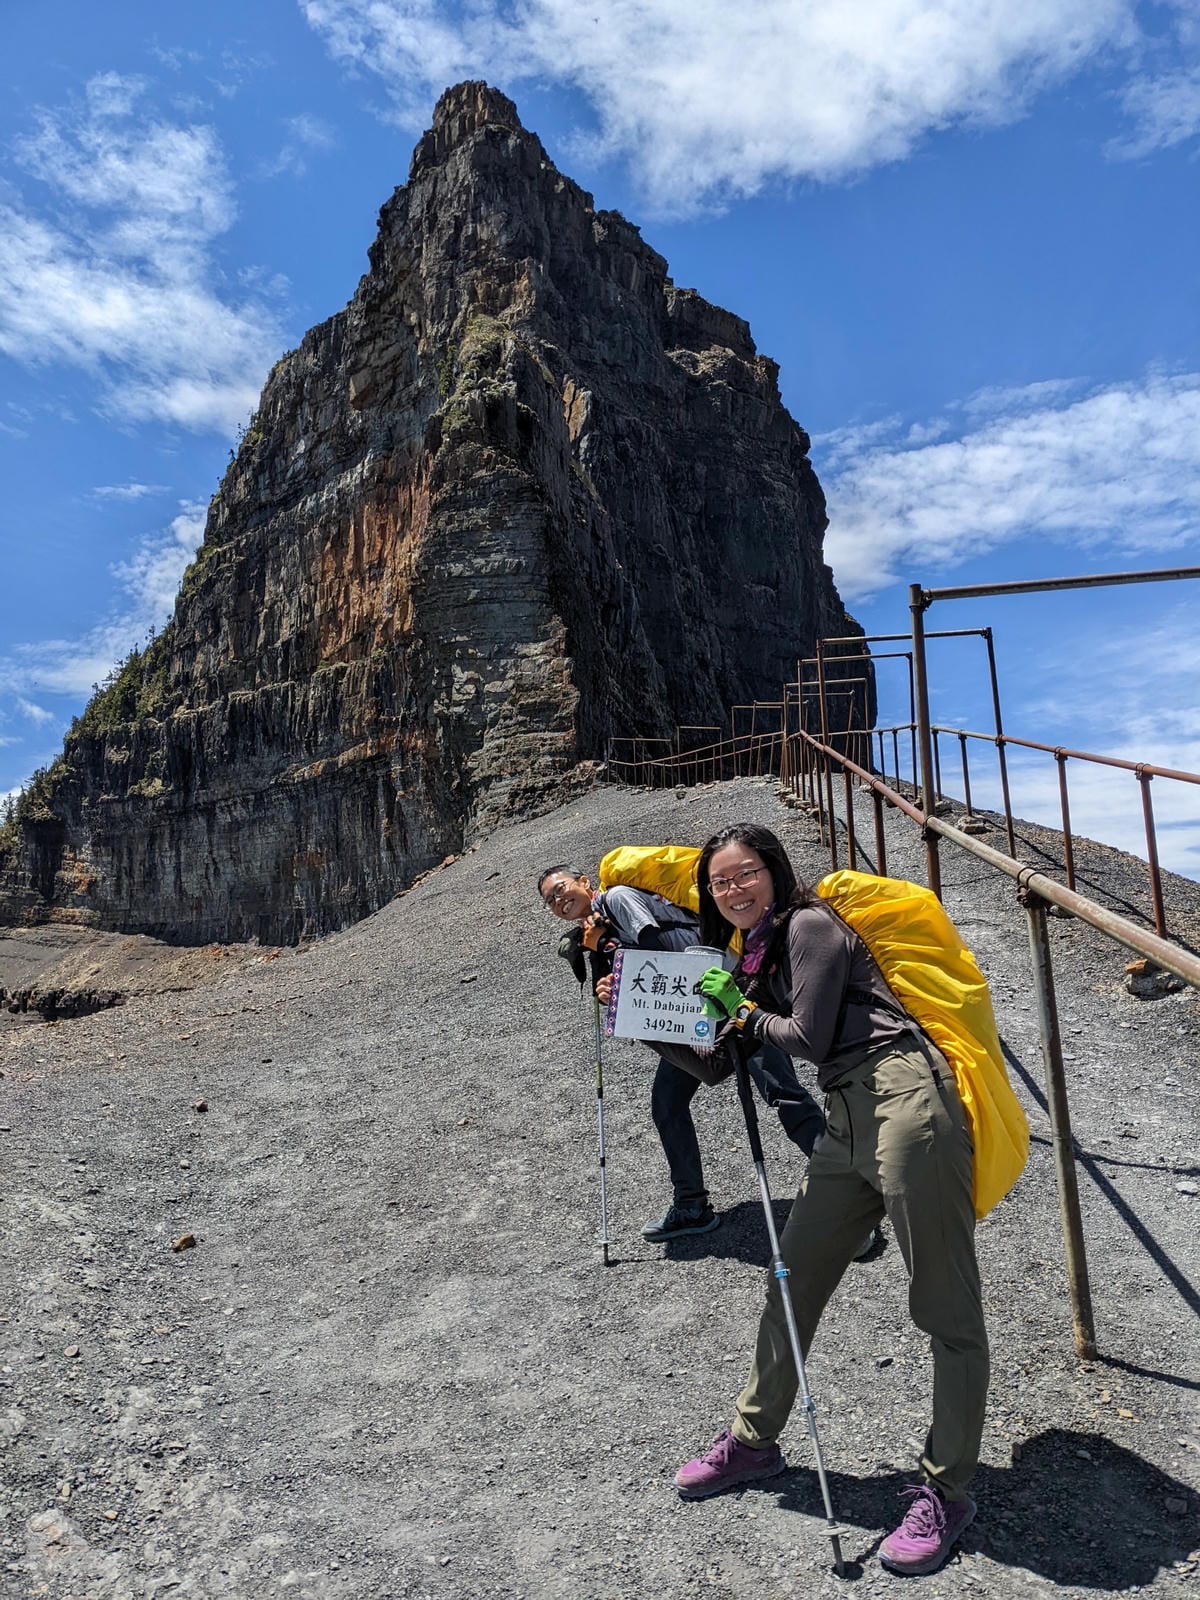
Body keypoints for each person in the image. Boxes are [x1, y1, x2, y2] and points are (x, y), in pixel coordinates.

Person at [674, 823, 988, 1578]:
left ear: (773, 873)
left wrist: (744, 1011)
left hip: (905, 1094)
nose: (733, 890)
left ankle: (947, 1489)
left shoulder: (811, 926)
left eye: (744, 873)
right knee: (793, 1277)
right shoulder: (751, 960)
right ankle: (754, 1441)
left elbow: (807, 1037)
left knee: (943, 1304)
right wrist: (638, 1022)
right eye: (719, 883)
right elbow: (716, 1066)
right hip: (845, 1117)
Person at [538, 863, 827, 1243]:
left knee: (782, 1093)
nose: (558, 900)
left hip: (729, 999)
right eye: (550, 900)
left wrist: (605, 946)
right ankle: (691, 1205)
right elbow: (638, 979)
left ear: (584, 882)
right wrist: (609, 984)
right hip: (690, 1019)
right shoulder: (593, 928)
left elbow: (663, 956)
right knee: (668, 1104)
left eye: (561, 889)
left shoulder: (618, 899)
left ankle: (849, 1202)